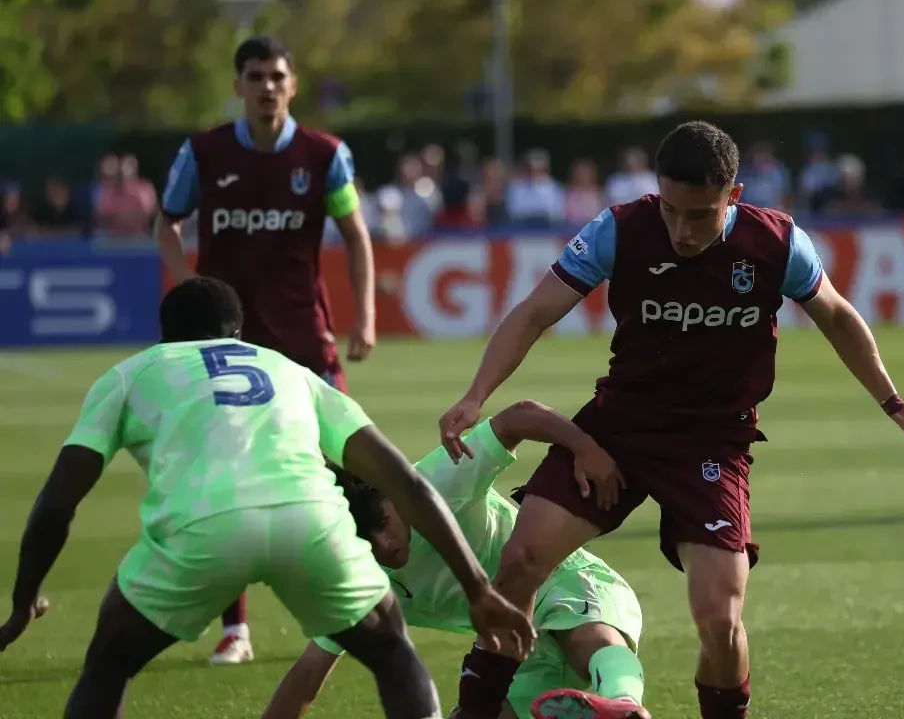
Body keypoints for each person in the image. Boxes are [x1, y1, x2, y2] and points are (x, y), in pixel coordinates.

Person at [437, 120, 904, 719]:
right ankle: (476, 712)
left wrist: (896, 405)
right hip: (619, 425)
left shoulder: (777, 243)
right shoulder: (618, 230)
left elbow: (838, 317)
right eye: (670, 211)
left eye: (699, 215)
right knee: (519, 561)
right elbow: (535, 312)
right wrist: (476, 395)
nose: (681, 231)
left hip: (712, 440)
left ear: (733, 196)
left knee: (720, 620)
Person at [0, 277, 534, 719]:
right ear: (237, 333)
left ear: (166, 338)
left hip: (202, 526)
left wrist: (24, 602)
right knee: (392, 652)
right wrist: (477, 587)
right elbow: (406, 483)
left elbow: (56, 504)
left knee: (109, 663)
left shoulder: (129, 374)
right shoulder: (290, 371)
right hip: (313, 522)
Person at [154, 35, 378, 664]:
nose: (267, 87)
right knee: (227, 471)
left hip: (305, 334)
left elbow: (355, 233)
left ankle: (367, 606)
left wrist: (364, 316)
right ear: (239, 86)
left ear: (293, 85)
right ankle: (236, 630)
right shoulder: (202, 153)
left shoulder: (325, 155)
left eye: (277, 76)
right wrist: (192, 293)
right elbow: (166, 221)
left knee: (351, 464)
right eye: (255, 76)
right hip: (225, 340)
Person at [262, 400, 650, 719]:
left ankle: (624, 704)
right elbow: (308, 674)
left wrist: (583, 446)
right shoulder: (358, 579)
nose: (384, 545)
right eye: (365, 542)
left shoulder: (435, 483)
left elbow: (518, 417)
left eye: (382, 523)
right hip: (513, 652)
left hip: (565, 580)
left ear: (390, 491)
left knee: (583, 638)